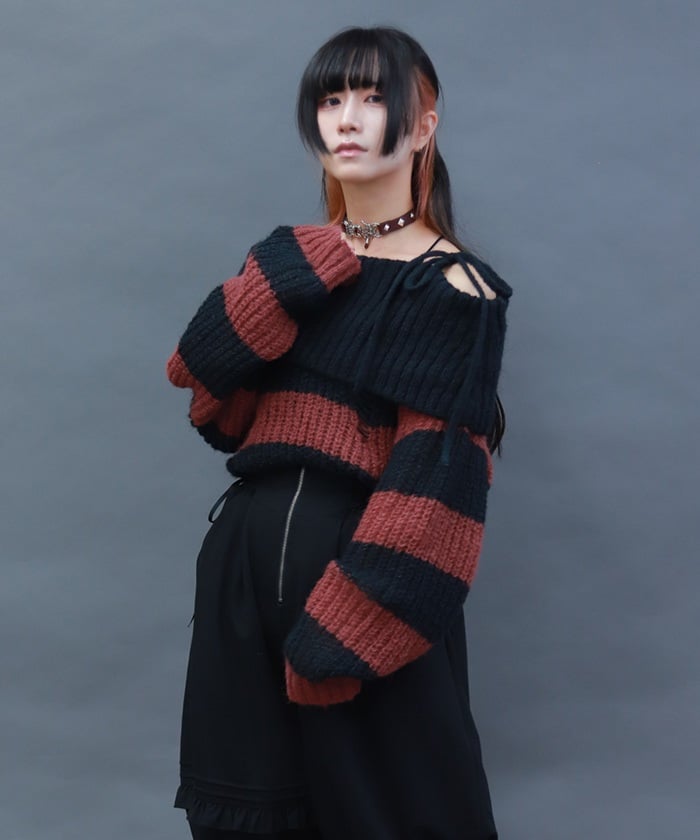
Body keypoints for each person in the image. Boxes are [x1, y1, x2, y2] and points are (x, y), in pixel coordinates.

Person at [166, 25, 512, 840]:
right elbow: (211, 401)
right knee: (247, 816)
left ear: (422, 126)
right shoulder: (292, 260)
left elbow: (438, 481)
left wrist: (353, 627)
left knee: (390, 812)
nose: (347, 118)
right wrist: (284, 280)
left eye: (372, 97)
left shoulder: (454, 287)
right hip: (242, 578)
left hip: (362, 582)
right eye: (330, 99)